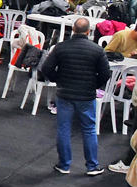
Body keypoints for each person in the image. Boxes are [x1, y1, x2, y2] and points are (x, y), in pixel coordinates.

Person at [40, 17, 112, 176]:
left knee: (64, 129)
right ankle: (92, 166)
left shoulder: (60, 48)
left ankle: (64, 165)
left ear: (73, 29)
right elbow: (106, 74)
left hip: (65, 94)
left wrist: (57, 79)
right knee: (89, 130)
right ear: (88, 31)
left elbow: (46, 68)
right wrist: (93, 84)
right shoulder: (97, 50)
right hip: (86, 96)